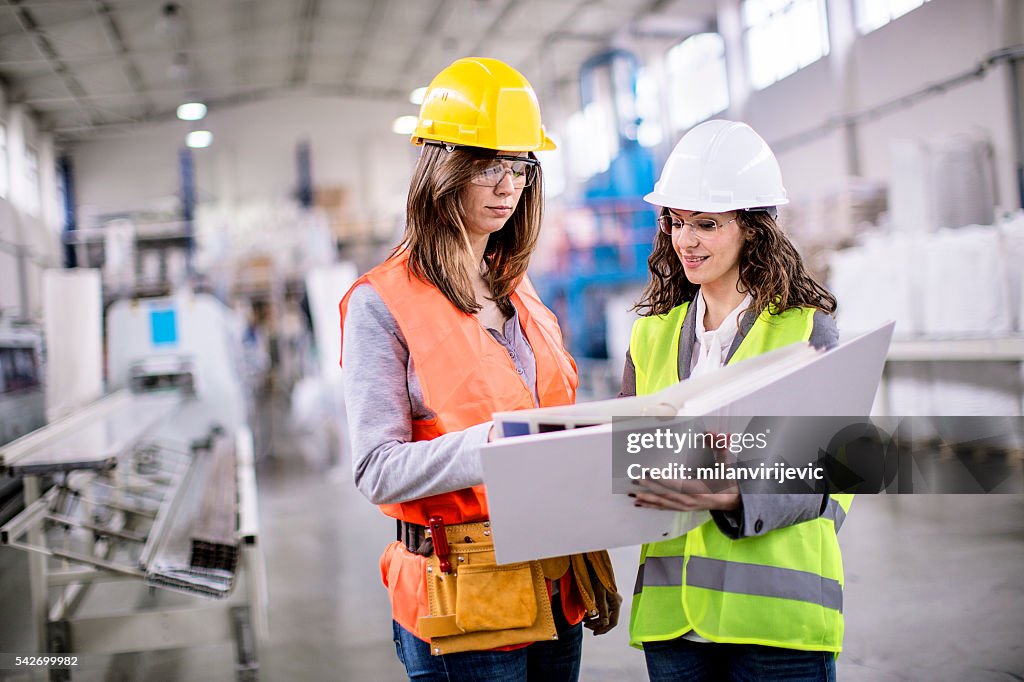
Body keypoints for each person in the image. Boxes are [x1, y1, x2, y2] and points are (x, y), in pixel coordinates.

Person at [339, 57, 621, 682]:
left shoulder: (517, 289)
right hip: (464, 594)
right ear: (443, 169)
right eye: (488, 166)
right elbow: (375, 468)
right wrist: (492, 446)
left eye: (520, 166)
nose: (507, 186)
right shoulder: (380, 303)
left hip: (555, 579)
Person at [619, 119, 852, 682]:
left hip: (775, 623)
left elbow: (840, 472)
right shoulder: (651, 335)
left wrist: (737, 492)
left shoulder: (803, 330)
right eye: (676, 222)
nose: (685, 241)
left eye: (706, 224)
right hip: (674, 626)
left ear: (752, 229)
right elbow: (624, 455)